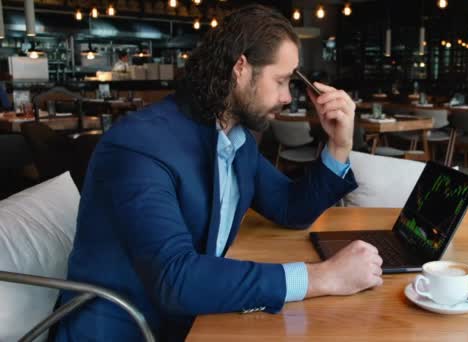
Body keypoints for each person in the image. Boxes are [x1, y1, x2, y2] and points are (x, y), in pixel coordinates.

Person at [55, 5, 382, 342]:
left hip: (194, 315)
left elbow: (290, 207)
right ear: (240, 68)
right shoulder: (139, 145)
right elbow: (175, 279)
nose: (287, 97)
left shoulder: (234, 138)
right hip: (130, 328)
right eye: (281, 81)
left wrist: (339, 144)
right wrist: (322, 278)